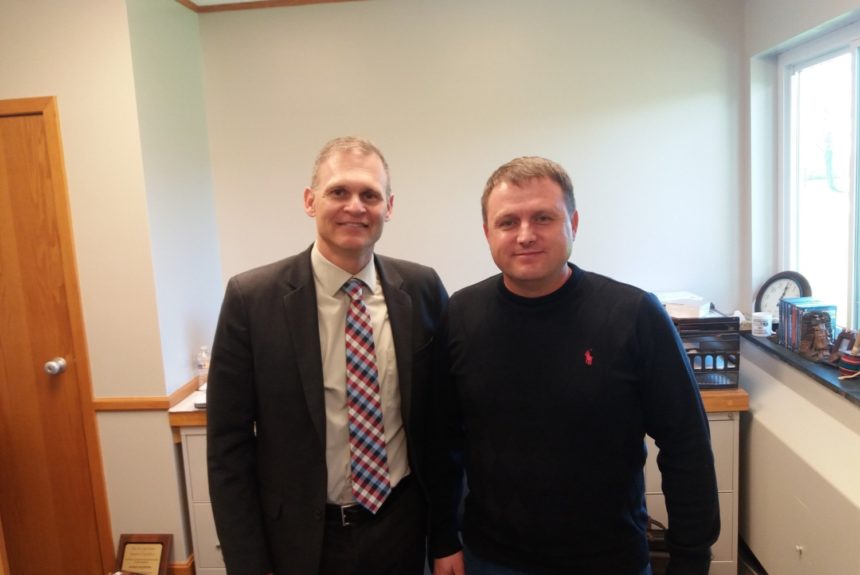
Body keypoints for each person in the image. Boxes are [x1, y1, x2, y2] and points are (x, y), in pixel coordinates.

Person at [429, 156, 719, 575]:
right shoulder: (461, 314)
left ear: (574, 223)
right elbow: (441, 440)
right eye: (508, 222)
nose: (525, 235)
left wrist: (691, 557)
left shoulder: (633, 314)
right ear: (488, 233)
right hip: (490, 559)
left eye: (543, 217)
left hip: (609, 561)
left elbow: (686, 444)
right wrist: (443, 538)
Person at [207, 136, 448, 575]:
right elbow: (228, 448)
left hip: (402, 529)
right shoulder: (251, 299)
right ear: (310, 200)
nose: (355, 206)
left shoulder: (422, 289)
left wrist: (447, 534)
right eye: (339, 191)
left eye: (370, 195)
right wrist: (248, 563)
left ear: (389, 207)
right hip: (301, 540)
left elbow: (441, 424)